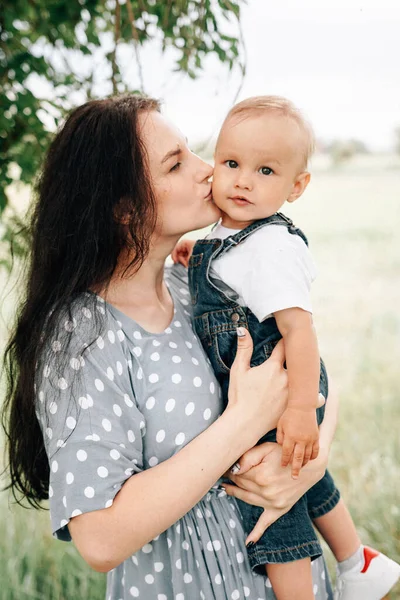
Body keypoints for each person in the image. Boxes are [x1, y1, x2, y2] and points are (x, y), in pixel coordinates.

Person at [0, 94, 339, 600]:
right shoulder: (81, 337)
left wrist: (306, 463)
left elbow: (311, 380)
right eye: (177, 163)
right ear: (123, 208)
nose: (208, 171)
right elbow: (98, 538)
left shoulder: (196, 284)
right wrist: (243, 423)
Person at [172, 96, 400, 600]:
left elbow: (300, 332)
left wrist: (300, 407)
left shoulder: (272, 246)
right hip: (271, 387)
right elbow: (231, 281)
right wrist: (196, 259)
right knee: (300, 476)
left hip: (283, 385)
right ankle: (356, 560)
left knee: (273, 505)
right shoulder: (230, 236)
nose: (243, 180)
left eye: (266, 170)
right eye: (231, 163)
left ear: (296, 186)